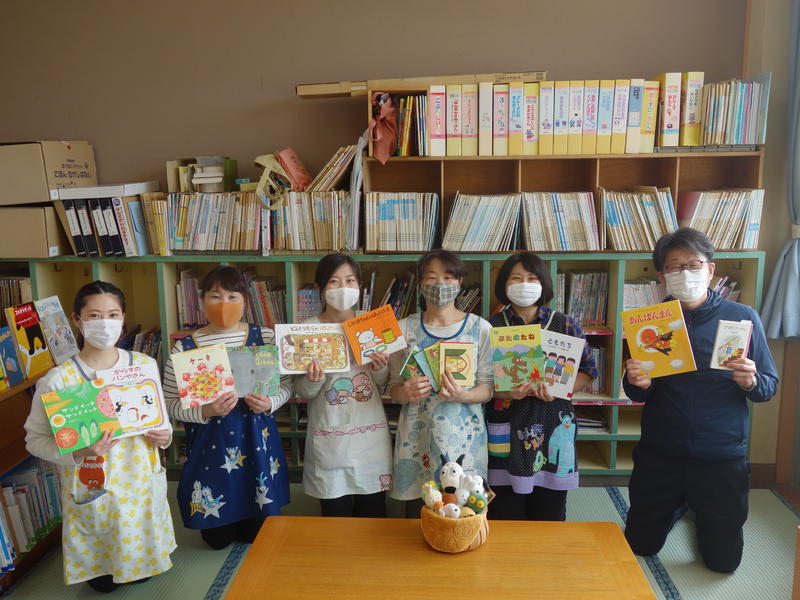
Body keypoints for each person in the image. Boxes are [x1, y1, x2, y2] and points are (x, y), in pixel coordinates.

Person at [623, 228, 778, 573]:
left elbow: (768, 387)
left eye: (693, 264)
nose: (685, 273)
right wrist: (637, 382)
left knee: (723, 563)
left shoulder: (742, 317)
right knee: (639, 546)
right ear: (662, 276)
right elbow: (636, 391)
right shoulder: (648, 323)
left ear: (710, 270)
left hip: (720, 454)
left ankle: (695, 505)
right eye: (674, 267)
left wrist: (751, 380)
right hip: (661, 450)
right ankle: (680, 504)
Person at [24, 281, 175, 593]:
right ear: (77, 320)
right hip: (95, 491)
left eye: (113, 314)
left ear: (123, 318)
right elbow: (34, 440)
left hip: (141, 487)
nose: (105, 323)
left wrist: (165, 436)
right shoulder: (59, 381)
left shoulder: (143, 366)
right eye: (94, 315)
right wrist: (79, 452)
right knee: (103, 583)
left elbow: (162, 420)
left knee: (142, 571)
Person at [163, 266, 290, 549]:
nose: (224, 304)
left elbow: (286, 385)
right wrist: (205, 411)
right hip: (211, 447)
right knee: (216, 540)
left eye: (233, 296)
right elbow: (170, 404)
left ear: (245, 301)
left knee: (256, 533)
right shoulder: (185, 348)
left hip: (257, 441)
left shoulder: (265, 338)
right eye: (215, 296)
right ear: (201, 301)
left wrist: (270, 402)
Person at [487, 252, 597, 521]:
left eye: (532, 278)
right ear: (504, 284)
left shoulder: (565, 323)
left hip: (552, 420)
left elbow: (588, 371)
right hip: (506, 420)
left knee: (550, 510)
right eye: (516, 278)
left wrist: (561, 390)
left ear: (544, 284)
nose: (524, 284)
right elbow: (480, 380)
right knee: (504, 509)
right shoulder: (489, 326)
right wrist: (506, 391)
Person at [388, 250, 493, 507]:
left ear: (460, 282)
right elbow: (393, 389)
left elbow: (488, 387)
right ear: (420, 283)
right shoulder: (402, 329)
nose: (440, 284)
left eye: (448, 277)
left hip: (465, 439)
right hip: (417, 439)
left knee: (466, 511)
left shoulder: (480, 329)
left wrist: (464, 395)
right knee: (418, 514)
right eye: (431, 277)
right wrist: (406, 392)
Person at [294, 254, 393, 517]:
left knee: (373, 514)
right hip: (329, 433)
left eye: (350, 281)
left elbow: (383, 384)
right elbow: (302, 391)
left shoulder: (371, 323)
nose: (343, 288)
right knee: (335, 515)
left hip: (369, 436)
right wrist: (314, 379)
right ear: (320, 288)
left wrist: (380, 367)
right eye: (334, 281)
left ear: (360, 286)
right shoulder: (307, 330)